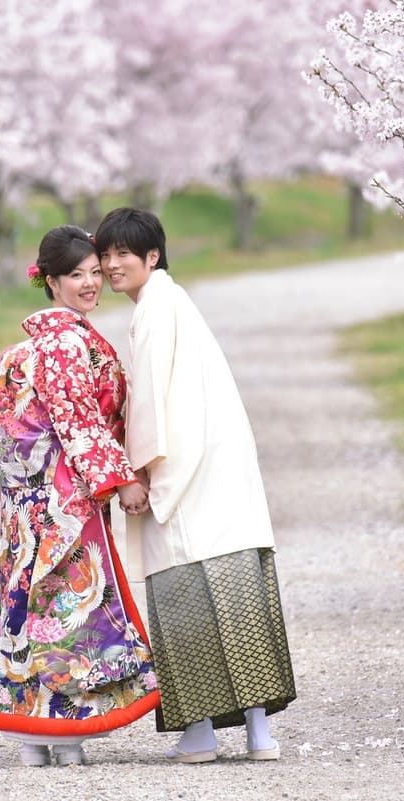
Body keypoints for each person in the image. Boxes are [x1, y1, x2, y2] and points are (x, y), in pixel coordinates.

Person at [95, 207, 296, 764]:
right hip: (221, 473)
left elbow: (155, 406)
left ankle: (201, 733)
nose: (111, 265)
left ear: (152, 257)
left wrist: (136, 475)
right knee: (241, 600)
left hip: (187, 474)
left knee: (187, 598)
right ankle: (259, 734)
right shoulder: (171, 301)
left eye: (122, 255)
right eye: (105, 254)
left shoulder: (157, 310)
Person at [0, 225, 159, 767]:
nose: (90, 284)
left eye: (93, 273)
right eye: (76, 276)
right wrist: (122, 478)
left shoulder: (30, 348)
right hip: (64, 499)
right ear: (51, 282)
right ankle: (63, 732)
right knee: (66, 607)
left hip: (29, 504)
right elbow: (81, 422)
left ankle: (32, 734)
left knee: (27, 598)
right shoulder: (64, 342)